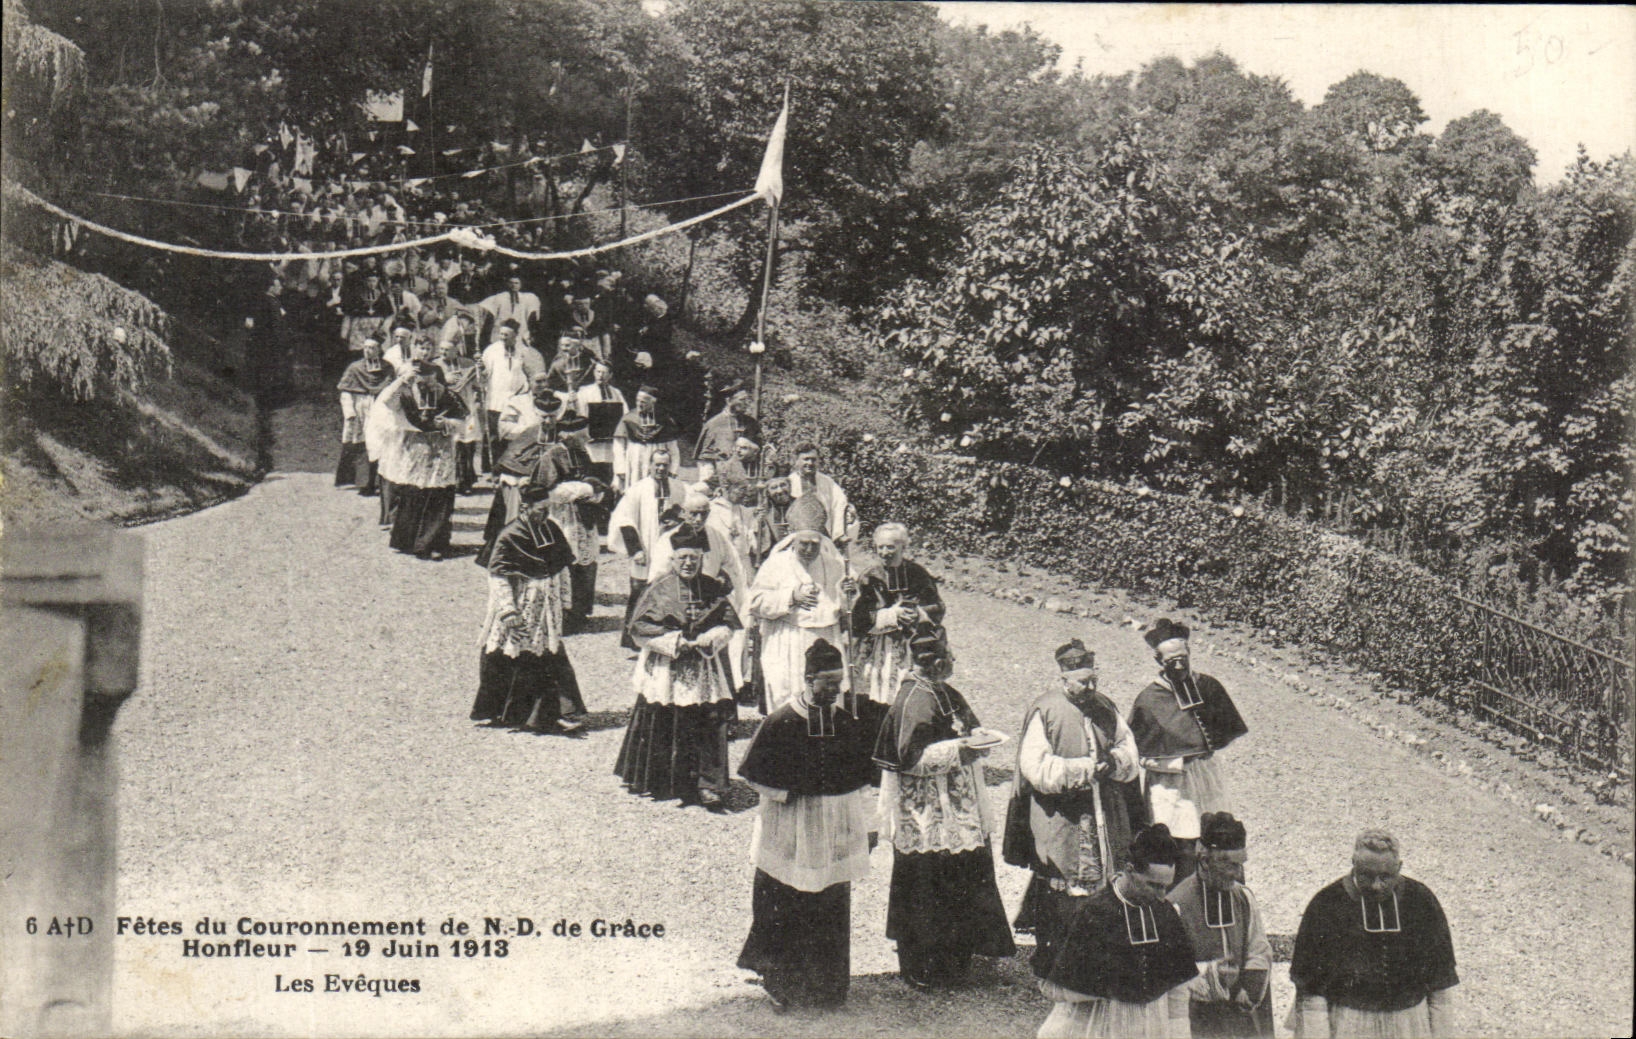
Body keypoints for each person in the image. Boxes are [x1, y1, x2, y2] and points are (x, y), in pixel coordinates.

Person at [736, 639, 886, 1011]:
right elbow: (753, 775)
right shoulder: (781, 721)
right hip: (791, 827)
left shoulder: (847, 722)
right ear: (808, 678)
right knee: (786, 904)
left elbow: (863, 782)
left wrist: (868, 827)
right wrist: (790, 789)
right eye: (828, 684)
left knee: (831, 906)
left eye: (839, 683)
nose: (836, 691)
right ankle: (784, 985)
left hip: (834, 831)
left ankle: (827, 989)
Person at [873, 630, 1015, 990]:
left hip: (958, 803)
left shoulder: (944, 692)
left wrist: (976, 735)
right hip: (927, 813)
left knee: (961, 876)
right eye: (949, 658)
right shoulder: (913, 699)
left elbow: (966, 724)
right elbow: (907, 758)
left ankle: (956, 959)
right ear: (935, 663)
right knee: (927, 884)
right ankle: (922, 965)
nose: (953, 663)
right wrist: (959, 752)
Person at [1009, 639, 1145, 968]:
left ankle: (1103, 956)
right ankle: (1058, 959)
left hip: (1106, 810)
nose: (1090, 687)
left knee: (1108, 880)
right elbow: (1035, 768)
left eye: (1093, 680)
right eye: (1083, 681)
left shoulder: (1105, 707)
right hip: (1064, 815)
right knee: (1064, 885)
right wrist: (1084, 770)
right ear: (1064, 680)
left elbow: (1129, 749)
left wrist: (1114, 762)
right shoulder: (1047, 711)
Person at [1288, 831, 1459, 1039]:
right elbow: (1311, 992)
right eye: (1367, 876)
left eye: (1386, 877)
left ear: (1400, 867)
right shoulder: (1326, 904)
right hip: (1348, 1025)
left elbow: (1440, 986)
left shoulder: (1421, 901)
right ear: (1353, 864)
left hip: (1410, 1026)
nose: (1377, 885)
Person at [613, 528, 740, 806]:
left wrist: (713, 638)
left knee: (709, 719)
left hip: (704, 664)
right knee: (663, 717)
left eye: (694, 558)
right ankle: (661, 780)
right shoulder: (658, 589)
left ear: (701, 559)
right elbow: (639, 630)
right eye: (682, 558)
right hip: (666, 667)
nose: (688, 564)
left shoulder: (712, 587)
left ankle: (708, 784)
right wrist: (674, 641)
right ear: (672, 559)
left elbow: (729, 623)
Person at [1035, 824, 1200, 1039]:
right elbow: (1050, 986)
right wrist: (1110, 982)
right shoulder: (1092, 913)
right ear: (1130, 871)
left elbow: (1177, 992)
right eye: (1153, 885)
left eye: (1165, 886)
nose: (1161, 896)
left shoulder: (1165, 913)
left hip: (1154, 1028)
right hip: (1098, 1026)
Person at [1128, 618, 1247, 880]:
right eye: (1171, 661)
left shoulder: (1208, 687)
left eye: (1182, 657)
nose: (1178, 664)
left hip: (1205, 776)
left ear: (1190, 653)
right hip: (1171, 786)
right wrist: (1176, 762)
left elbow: (1224, 729)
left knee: (1216, 839)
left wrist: (1205, 751)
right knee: (1180, 848)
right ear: (1159, 661)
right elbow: (1140, 755)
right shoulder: (1149, 700)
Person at [468, 488, 588, 732]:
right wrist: (508, 611)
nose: (545, 515)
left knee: (549, 656)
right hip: (520, 606)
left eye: (548, 510)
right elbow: (498, 576)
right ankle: (504, 713)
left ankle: (550, 715)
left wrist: (565, 601)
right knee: (510, 657)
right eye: (540, 510)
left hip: (547, 608)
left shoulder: (552, 529)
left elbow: (562, 567)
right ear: (526, 507)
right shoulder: (510, 534)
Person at [747, 495, 857, 714]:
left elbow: (846, 605)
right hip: (788, 639)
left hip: (826, 637)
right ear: (793, 540)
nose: (808, 550)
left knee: (827, 699)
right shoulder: (777, 562)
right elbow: (755, 602)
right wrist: (791, 597)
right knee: (790, 699)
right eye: (803, 544)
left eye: (814, 544)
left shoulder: (834, 562)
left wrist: (848, 594)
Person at [1168, 813, 1273, 1038]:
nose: (1238, 874)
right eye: (1231, 866)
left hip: (1239, 1015)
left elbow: (1259, 948)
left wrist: (1250, 988)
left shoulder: (1243, 898)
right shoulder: (1176, 904)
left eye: (1240, 865)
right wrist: (1212, 975)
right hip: (1197, 1019)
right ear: (1205, 861)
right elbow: (1170, 969)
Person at [380, 340, 466, 559]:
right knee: (412, 495)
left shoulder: (446, 396)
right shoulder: (405, 393)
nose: (426, 385)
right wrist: (403, 380)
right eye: (421, 380)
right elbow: (388, 402)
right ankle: (406, 540)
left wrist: (445, 424)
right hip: (415, 452)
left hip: (440, 452)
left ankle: (430, 543)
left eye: (431, 380)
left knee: (439, 498)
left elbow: (463, 420)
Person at [852, 523, 945, 704]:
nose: (885, 552)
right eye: (881, 547)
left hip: (913, 645)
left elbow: (937, 607)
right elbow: (859, 618)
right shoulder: (870, 577)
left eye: (891, 547)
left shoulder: (918, 573)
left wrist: (918, 614)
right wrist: (890, 616)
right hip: (878, 647)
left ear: (903, 547)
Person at [608, 447, 680, 651]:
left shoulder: (678, 487)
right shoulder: (637, 490)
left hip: (669, 551)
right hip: (645, 551)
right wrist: (636, 550)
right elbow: (624, 519)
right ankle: (636, 640)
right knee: (641, 593)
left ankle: (664, 638)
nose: (660, 468)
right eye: (657, 464)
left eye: (665, 465)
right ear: (649, 465)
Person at [480, 319, 547, 463]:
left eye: (507, 335)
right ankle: (491, 469)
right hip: (495, 400)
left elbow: (532, 374)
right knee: (492, 436)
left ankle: (510, 465)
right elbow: (483, 376)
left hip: (516, 401)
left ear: (516, 335)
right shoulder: (491, 351)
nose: (503, 337)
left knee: (511, 435)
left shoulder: (525, 351)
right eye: (501, 334)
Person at [334, 337, 392, 493]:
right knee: (361, 444)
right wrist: (349, 412)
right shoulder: (355, 368)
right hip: (360, 409)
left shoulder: (387, 368)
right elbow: (345, 391)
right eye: (366, 347)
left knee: (381, 443)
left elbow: (394, 389)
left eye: (372, 348)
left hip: (381, 408)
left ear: (379, 349)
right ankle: (364, 483)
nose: (368, 351)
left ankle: (380, 482)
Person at [611, 385, 682, 492]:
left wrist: (673, 469)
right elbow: (618, 447)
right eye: (637, 400)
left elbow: (673, 450)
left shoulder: (664, 420)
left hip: (658, 462)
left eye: (643, 401)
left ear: (653, 401)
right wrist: (620, 468)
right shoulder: (628, 418)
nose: (639, 404)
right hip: (635, 462)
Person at [788, 443, 860, 548]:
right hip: (797, 532)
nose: (810, 463)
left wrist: (839, 531)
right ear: (797, 461)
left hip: (824, 531)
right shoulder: (789, 481)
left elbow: (840, 502)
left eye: (813, 459)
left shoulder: (827, 481)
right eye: (806, 459)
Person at [436, 336, 483, 494]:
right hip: (446, 409)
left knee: (466, 445)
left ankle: (465, 481)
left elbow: (479, 384)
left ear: (456, 351)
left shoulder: (467, 364)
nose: (443, 352)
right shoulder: (436, 365)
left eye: (447, 350)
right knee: (451, 445)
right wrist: (444, 380)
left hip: (467, 408)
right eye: (441, 349)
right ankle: (450, 481)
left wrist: (480, 370)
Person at [573, 360, 628, 488]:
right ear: (594, 373)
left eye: (604, 372)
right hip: (592, 441)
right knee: (593, 473)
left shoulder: (616, 393)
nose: (600, 375)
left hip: (610, 442)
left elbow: (625, 414)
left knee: (609, 472)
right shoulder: (585, 392)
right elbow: (580, 415)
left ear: (610, 375)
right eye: (598, 371)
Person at [694, 382, 761, 482]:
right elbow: (705, 459)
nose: (746, 403)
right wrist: (709, 481)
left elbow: (760, 449)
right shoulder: (714, 423)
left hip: (748, 476)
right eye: (742, 400)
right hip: (722, 477)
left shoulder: (751, 423)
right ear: (729, 401)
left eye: (747, 400)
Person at [477, 273, 542, 345]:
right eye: (511, 283)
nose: (513, 285)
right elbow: (489, 308)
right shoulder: (500, 297)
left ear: (520, 285)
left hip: (520, 328)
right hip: (502, 326)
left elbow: (532, 312)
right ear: (507, 284)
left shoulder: (527, 298)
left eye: (516, 283)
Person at [751, 475, 795, 568]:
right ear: (768, 492)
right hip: (774, 559)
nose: (779, 491)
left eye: (783, 485)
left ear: (790, 486)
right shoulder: (763, 510)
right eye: (774, 488)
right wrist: (760, 525)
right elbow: (757, 542)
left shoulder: (800, 505)